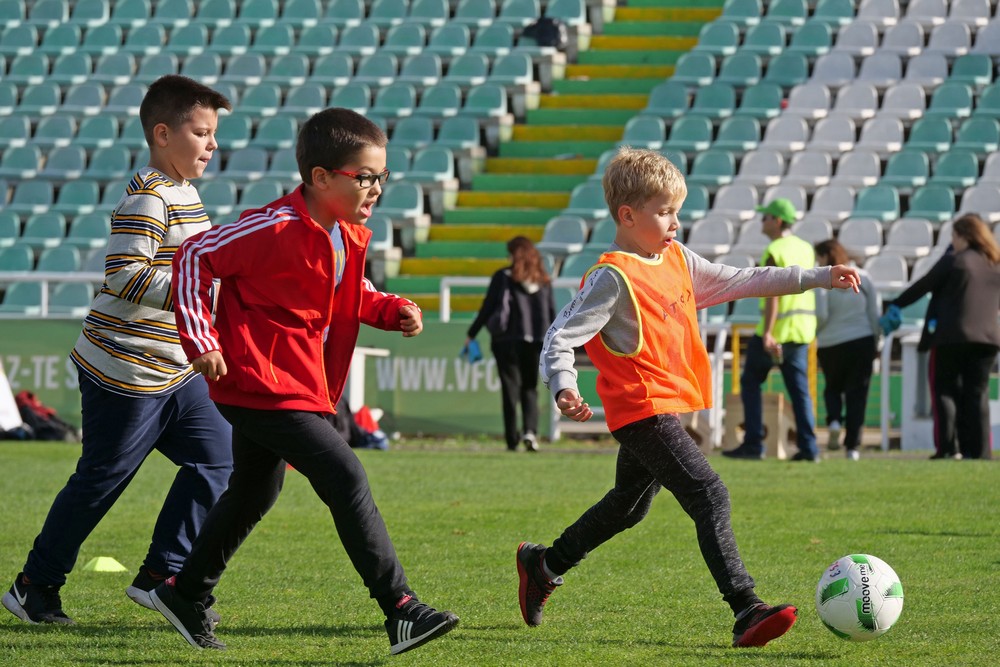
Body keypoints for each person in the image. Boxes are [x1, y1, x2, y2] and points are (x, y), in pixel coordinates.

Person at [520, 147, 861, 648]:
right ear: (628, 216)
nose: (675, 223)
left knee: (628, 508)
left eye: (677, 211)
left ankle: (543, 564)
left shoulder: (677, 259)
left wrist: (818, 277)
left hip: (663, 410)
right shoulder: (611, 277)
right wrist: (565, 386)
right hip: (641, 411)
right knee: (709, 493)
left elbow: (745, 279)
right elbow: (559, 336)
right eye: (665, 212)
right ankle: (746, 609)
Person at [152, 108, 458, 655]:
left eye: (382, 177)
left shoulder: (342, 235)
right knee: (345, 473)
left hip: (293, 383)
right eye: (364, 176)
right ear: (321, 178)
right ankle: (402, 610)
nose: (376, 188)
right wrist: (203, 341)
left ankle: (185, 592)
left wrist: (394, 310)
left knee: (254, 489)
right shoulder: (272, 226)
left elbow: (350, 294)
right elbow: (194, 254)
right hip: (257, 382)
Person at [2, 76, 234, 626]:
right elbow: (126, 274)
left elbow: (194, 274)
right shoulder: (148, 195)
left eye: (213, 134)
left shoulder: (187, 194)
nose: (212, 144)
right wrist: (202, 289)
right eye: (201, 133)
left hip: (177, 369)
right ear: (162, 133)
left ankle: (162, 575)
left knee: (220, 459)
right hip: (123, 370)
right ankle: (34, 585)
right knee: (102, 480)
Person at [880, 214, 1000, 460]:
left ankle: (948, 448)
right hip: (988, 339)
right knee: (978, 394)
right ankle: (979, 451)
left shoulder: (953, 261)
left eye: (954, 236)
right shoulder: (994, 264)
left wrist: (895, 304)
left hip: (952, 337)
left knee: (945, 391)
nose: (952, 242)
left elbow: (922, 286)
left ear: (964, 236)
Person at [723, 198, 822, 462]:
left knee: (750, 381)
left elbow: (773, 293)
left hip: (776, 331)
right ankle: (810, 448)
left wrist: (768, 333)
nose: (761, 221)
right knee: (799, 392)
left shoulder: (776, 249)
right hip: (801, 331)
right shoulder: (805, 248)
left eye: (765, 217)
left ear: (777, 221)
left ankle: (754, 443)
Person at [466, 236, 556, 451]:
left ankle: (511, 439)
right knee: (530, 388)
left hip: (506, 340)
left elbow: (488, 307)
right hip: (536, 341)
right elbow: (552, 313)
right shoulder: (544, 280)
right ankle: (530, 433)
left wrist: (472, 333)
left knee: (510, 390)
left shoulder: (503, 276)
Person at [813, 239, 881, 461]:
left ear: (825, 257)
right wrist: (876, 341)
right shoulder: (864, 277)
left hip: (831, 343)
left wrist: (818, 332)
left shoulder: (823, 279)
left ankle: (833, 420)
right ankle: (852, 447)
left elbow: (821, 314)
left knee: (832, 387)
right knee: (857, 394)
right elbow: (874, 313)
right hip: (862, 340)